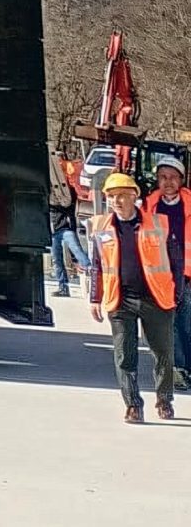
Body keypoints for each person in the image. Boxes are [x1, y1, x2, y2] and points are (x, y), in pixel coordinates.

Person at [88, 170, 177, 423]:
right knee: (125, 356)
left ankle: (164, 400)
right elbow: (97, 264)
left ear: (134, 197)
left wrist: (177, 293)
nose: (116, 201)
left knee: (163, 354)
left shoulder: (157, 224)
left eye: (122, 196)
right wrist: (95, 297)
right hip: (120, 300)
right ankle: (133, 405)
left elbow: (176, 259)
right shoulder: (102, 227)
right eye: (112, 196)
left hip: (155, 299)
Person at [148, 159, 191, 375]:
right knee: (169, 325)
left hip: (188, 275)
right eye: (163, 177)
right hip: (161, 276)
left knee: (187, 323)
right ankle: (179, 369)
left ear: (182, 180)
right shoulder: (149, 206)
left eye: (173, 177)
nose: (168, 182)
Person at [49, 165, 86, 298]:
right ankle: (63, 287)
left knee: (78, 253)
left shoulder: (68, 193)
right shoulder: (50, 192)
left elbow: (67, 203)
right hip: (55, 230)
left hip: (65, 228)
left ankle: (92, 277)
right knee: (57, 260)